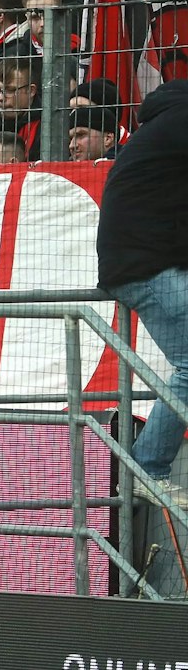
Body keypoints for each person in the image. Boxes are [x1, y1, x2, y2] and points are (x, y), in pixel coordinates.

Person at [97, 80, 188, 508]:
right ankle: (147, 470)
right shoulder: (180, 122)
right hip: (144, 263)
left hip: (143, 258)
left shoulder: (167, 122)